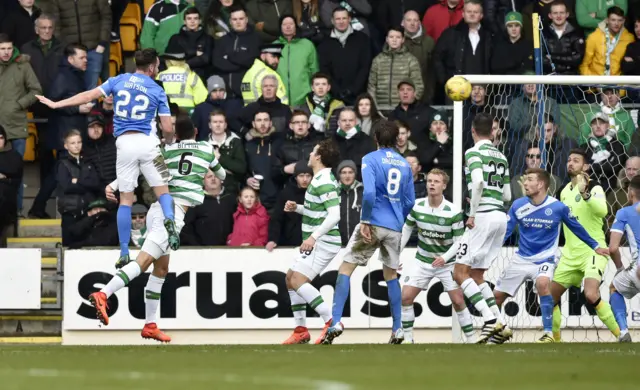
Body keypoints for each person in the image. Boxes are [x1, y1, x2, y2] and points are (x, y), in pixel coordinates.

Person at [35, 48, 179, 268]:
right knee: (163, 192)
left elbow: (88, 95)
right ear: (151, 68)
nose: (158, 69)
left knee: (126, 201)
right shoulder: (157, 90)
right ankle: (170, 223)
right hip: (149, 145)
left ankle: (123, 250)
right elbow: (168, 127)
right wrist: (167, 140)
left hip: (124, 146)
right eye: (158, 66)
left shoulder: (118, 80)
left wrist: (57, 104)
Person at [92, 116, 226, 342]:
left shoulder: (168, 151)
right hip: (172, 214)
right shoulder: (206, 148)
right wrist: (213, 161)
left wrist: (113, 185)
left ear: (177, 134)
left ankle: (150, 325)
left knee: (161, 269)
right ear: (195, 131)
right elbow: (221, 175)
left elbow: (139, 169)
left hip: (158, 207)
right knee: (143, 262)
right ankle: (104, 293)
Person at [321, 120, 415, 345]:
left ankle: (335, 322)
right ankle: (398, 329)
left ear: (375, 139)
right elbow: (410, 200)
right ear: (396, 140)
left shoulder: (370, 159)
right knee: (391, 276)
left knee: (346, 268)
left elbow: (370, 192)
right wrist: (397, 219)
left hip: (372, 223)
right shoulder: (404, 164)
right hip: (394, 226)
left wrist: (365, 220)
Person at [491, 168, 606, 344]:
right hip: (521, 258)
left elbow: (577, 228)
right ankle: (498, 330)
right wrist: (490, 249)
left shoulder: (557, 207)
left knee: (543, 283)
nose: (525, 184)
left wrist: (595, 245)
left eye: (530, 179)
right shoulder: (518, 205)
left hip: (545, 258)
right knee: (496, 296)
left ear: (542, 184)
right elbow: (505, 232)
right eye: (525, 180)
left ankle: (548, 333)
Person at [453, 112, 512, 344]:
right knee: (477, 274)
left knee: (459, 272)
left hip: (484, 215)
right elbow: (507, 194)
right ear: (493, 131)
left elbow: (477, 182)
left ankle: (489, 320)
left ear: (473, 131)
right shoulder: (501, 156)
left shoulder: (473, 152)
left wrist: (472, 213)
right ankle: (501, 324)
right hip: (500, 216)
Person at [550, 149, 620, 342]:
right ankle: (555, 342)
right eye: (569, 160)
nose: (571, 163)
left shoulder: (595, 187)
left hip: (593, 251)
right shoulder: (563, 191)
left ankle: (621, 335)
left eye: (576, 161)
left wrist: (585, 194)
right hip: (570, 255)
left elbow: (602, 211)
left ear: (586, 166)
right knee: (549, 298)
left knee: (590, 294)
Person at [400, 168, 475, 344]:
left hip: (447, 263)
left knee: (457, 301)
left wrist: (445, 258)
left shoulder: (453, 211)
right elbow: (406, 229)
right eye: (429, 181)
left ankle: (472, 340)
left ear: (444, 186)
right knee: (405, 297)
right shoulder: (417, 205)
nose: (432, 184)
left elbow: (459, 241)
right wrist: (396, 255)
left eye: (436, 181)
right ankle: (408, 339)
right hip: (423, 260)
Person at [282, 138, 342, 345]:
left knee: (298, 280)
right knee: (290, 278)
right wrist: (297, 208)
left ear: (318, 157)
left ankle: (331, 322)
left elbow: (335, 215)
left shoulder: (323, 180)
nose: (309, 154)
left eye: (313, 151)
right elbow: (321, 212)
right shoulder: (319, 179)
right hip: (317, 239)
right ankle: (301, 331)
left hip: (323, 241)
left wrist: (313, 238)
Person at [0, 33, 42, 216]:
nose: (6, 52)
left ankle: (16, 211)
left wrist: (19, 104)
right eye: (2, 48)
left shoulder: (22, 65)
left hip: (16, 126)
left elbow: (36, 91)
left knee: (15, 173)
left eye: (9, 48)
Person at [41, 0, 112, 90]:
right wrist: (64, 48)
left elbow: (106, 16)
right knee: (73, 91)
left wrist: (102, 43)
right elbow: (55, 24)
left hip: (94, 49)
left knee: (91, 91)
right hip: (71, 52)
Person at [608, 174, 640, 343]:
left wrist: (620, 268)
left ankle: (623, 331)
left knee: (614, 287)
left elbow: (613, 248)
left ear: (631, 192)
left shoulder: (624, 213)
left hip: (637, 270)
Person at [318, 7, 371, 105]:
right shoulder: (324, 44)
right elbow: (324, 70)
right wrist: (336, 91)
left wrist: (353, 89)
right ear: (332, 21)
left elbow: (365, 67)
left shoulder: (362, 39)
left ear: (349, 19)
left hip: (359, 97)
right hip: (334, 98)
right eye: (338, 19)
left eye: (344, 18)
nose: (341, 21)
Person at [212, 5, 262, 100]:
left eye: (241, 19)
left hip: (246, 92)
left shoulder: (255, 39)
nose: (238, 22)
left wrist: (229, 56)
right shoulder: (222, 40)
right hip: (224, 94)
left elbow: (250, 61)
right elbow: (217, 62)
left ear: (246, 20)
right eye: (234, 19)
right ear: (230, 22)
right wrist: (239, 64)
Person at [368, 26, 424, 108]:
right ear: (386, 39)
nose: (394, 40)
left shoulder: (411, 60)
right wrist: (375, 108)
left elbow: (418, 86)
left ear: (403, 39)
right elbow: (371, 86)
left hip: (403, 110)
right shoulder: (378, 60)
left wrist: (409, 106)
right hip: (380, 109)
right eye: (391, 37)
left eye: (398, 37)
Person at [266, 161, 313, 251]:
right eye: (301, 176)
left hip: (312, 242)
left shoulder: (316, 193)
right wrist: (273, 239)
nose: (305, 179)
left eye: (308, 176)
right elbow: (277, 218)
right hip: (289, 243)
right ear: (295, 177)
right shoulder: (286, 193)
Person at [180, 170, 236, 246]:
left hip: (230, 250)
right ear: (203, 181)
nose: (213, 179)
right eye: (209, 177)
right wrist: (197, 247)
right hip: (202, 251)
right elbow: (186, 227)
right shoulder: (195, 201)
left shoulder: (231, 198)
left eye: (216, 176)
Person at [276, 15, 319, 106]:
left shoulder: (307, 45)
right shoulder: (274, 47)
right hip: (280, 100)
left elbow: (315, 71)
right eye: (284, 24)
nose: (288, 26)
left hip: (304, 99)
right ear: (280, 27)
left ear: (296, 26)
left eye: (291, 24)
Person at [580, 6, 634, 76]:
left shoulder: (629, 38)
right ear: (607, 20)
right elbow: (584, 65)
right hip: (596, 84)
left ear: (624, 21)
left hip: (619, 85)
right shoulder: (594, 37)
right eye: (613, 20)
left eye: (619, 20)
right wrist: (593, 83)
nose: (616, 23)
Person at [157, 41, 208, 114]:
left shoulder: (160, 76)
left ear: (169, 61)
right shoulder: (191, 76)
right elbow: (202, 99)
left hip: (165, 111)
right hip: (187, 112)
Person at [166, 7, 215, 82]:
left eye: (195, 18)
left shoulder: (208, 39)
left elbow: (205, 59)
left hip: (202, 79)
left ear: (200, 21)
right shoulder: (175, 38)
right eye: (189, 19)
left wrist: (183, 62)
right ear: (184, 21)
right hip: (180, 79)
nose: (192, 21)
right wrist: (195, 53)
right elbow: (170, 60)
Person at [0, 125, 24, 245]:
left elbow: (15, 176)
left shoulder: (14, 156)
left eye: (1, 138)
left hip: (6, 204)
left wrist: (5, 178)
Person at [336, 159, 363, 246]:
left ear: (355, 174)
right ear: (339, 175)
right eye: (343, 172)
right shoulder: (332, 191)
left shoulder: (363, 191)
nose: (347, 176)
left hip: (359, 244)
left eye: (350, 172)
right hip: (337, 244)